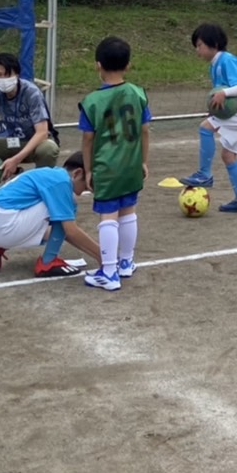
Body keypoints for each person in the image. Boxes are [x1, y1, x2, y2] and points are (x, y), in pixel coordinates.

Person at [79, 36, 152, 291]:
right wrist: (143, 161)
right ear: (128, 65)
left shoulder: (91, 101)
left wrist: (88, 169)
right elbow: (145, 131)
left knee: (108, 215)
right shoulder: (138, 93)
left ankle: (109, 272)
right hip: (131, 164)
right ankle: (125, 262)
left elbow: (88, 139)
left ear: (97, 65)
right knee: (128, 210)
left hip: (107, 167)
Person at [180, 22, 237, 213]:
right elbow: (222, 95)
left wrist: (224, 93)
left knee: (205, 128)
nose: (197, 50)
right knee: (228, 156)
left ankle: (204, 174)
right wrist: (215, 108)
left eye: (199, 45)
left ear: (214, 44)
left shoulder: (227, 60)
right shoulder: (215, 65)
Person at [0, 152, 102, 278]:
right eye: (88, 184)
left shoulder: (51, 174)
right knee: (67, 205)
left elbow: (64, 233)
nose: (89, 189)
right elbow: (70, 230)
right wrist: (103, 255)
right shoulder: (61, 182)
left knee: (57, 221)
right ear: (77, 173)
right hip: (5, 225)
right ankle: (48, 262)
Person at [0, 52, 59, 179]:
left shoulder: (31, 93)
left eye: (8, 75)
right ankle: (9, 174)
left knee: (48, 149)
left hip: (34, 143)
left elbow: (42, 132)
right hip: (12, 141)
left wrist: (16, 159)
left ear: (17, 74)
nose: (3, 79)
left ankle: (40, 180)